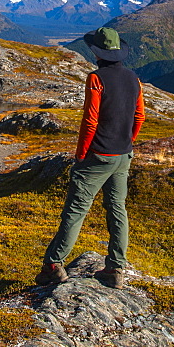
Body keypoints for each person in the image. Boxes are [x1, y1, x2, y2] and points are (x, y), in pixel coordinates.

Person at [35, 26, 145, 289]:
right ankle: (116, 269)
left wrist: (82, 153)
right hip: (123, 155)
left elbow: (90, 120)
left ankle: (54, 265)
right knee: (118, 210)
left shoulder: (96, 78)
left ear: (96, 53)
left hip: (98, 154)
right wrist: (128, 141)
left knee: (76, 210)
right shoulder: (134, 79)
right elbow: (139, 116)